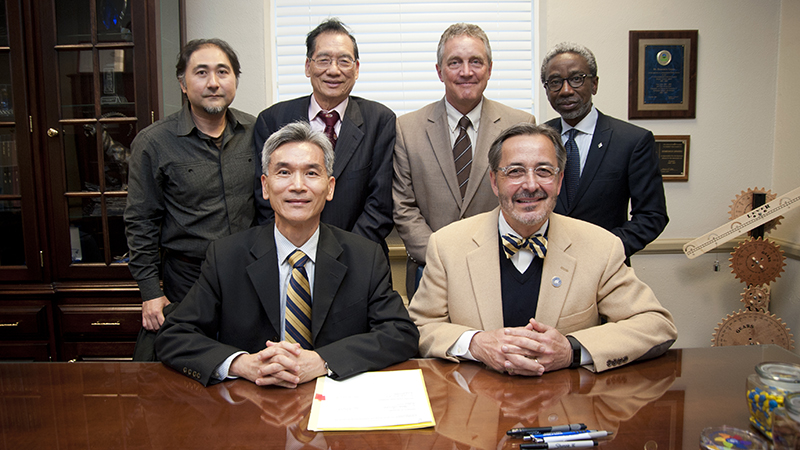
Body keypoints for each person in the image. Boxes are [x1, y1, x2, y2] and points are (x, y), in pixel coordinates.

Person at [155, 121, 418, 387]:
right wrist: (242, 364)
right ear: (266, 186)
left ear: (329, 188)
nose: (298, 186)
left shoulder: (364, 257)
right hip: (251, 402)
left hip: (334, 403)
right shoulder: (227, 257)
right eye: (284, 172)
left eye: (311, 173)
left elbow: (400, 333)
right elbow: (174, 335)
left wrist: (322, 361)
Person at [408, 122, 676, 376]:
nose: (531, 185)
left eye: (544, 171)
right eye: (514, 171)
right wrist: (475, 344)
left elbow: (656, 325)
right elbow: (419, 326)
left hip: (567, 410)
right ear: (493, 181)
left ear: (559, 181)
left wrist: (571, 349)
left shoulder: (601, 246)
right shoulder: (447, 244)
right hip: (476, 406)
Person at [125, 39, 255, 350]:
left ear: (235, 78)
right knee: (189, 365)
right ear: (183, 83)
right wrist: (150, 292)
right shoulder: (154, 142)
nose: (213, 83)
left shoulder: (257, 130)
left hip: (248, 274)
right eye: (201, 73)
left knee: (247, 364)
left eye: (223, 72)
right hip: (187, 277)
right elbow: (140, 222)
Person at [393, 23, 535, 298]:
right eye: (455, 62)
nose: (466, 72)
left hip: (504, 265)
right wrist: (441, 257)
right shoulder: (407, 128)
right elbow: (404, 207)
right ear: (439, 71)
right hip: (430, 270)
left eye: (476, 62)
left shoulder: (519, 124)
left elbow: (525, 198)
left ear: (490, 69)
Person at [253, 19, 395, 256]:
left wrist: (340, 255)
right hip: (290, 257)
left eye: (344, 61)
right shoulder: (272, 120)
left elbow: (380, 205)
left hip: (360, 257)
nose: (333, 70)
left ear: (357, 68)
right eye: (324, 60)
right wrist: (298, 252)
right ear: (308, 66)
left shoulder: (380, 120)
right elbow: (265, 200)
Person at [541, 42, 668, 260]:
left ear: (594, 84)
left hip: (605, 268)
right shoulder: (538, 138)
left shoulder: (632, 141)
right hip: (544, 265)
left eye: (576, 78)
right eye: (555, 82)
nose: (566, 90)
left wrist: (605, 249)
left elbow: (651, 215)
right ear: (547, 89)